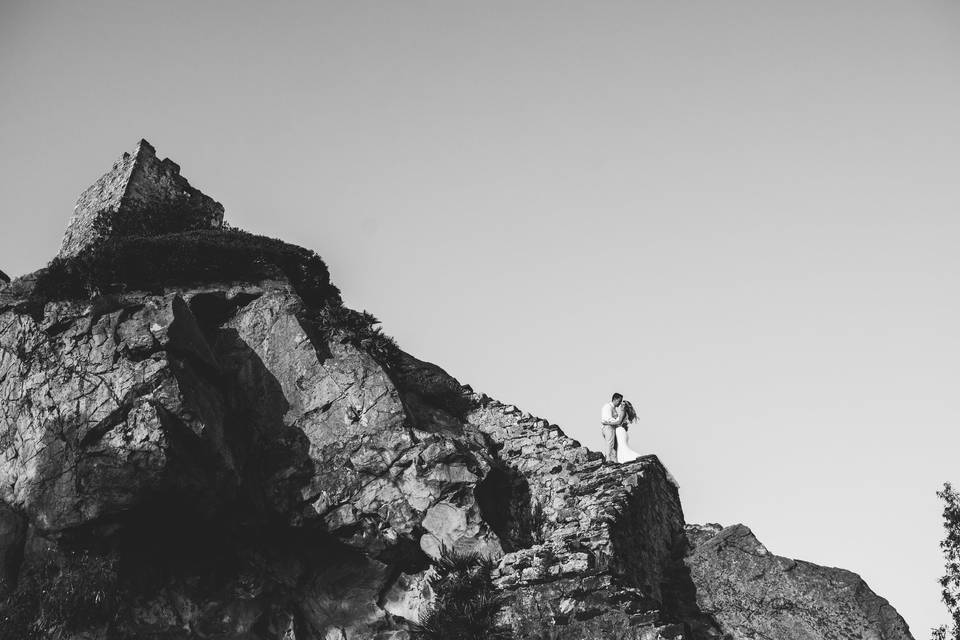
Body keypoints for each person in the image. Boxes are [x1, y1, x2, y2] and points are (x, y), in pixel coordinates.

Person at [600, 393, 624, 462]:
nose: (620, 403)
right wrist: (617, 422)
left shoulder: (613, 409)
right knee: (610, 443)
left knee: (614, 445)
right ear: (615, 399)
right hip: (608, 427)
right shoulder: (607, 406)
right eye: (619, 401)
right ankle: (608, 459)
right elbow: (606, 419)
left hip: (612, 427)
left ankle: (614, 460)